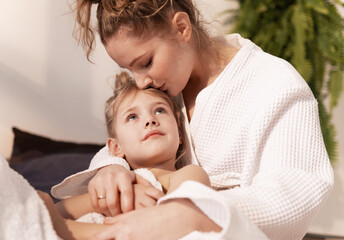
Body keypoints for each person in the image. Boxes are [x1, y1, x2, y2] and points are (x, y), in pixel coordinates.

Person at [53, 0, 334, 239]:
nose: (140, 82)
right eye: (129, 70)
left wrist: (191, 213)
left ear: (182, 28)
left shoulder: (274, 83)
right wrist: (110, 169)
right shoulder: (161, 88)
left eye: (146, 62)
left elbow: (295, 194)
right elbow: (124, 139)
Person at [48, 71, 219, 239]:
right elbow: (55, 214)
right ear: (115, 148)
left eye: (160, 110)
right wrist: (120, 196)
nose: (150, 120)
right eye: (132, 117)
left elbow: (178, 220)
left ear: (180, 135)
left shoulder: (188, 174)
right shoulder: (114, 183)